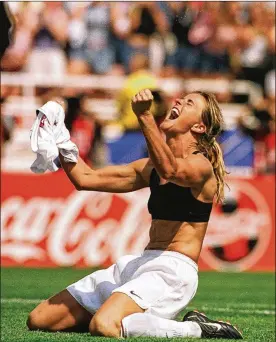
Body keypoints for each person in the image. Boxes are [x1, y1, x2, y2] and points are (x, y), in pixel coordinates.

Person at [26, 89, 243, 339]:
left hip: (172, 272)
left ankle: (196, 329)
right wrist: (61, 137)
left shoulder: (201, 166)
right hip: (140, 263)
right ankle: (129, 318)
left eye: (189, 103)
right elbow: (85, 178)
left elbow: (172, 170)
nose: (178, 102)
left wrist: (145, 117)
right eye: (180, 99)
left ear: (199, 126)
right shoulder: (150, 167)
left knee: (105, 325)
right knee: (41, 319)